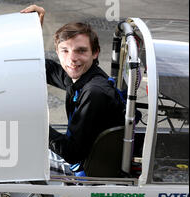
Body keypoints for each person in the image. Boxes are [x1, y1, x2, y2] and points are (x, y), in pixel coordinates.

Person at [21, 5, 125, 174]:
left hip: (86, 170)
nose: (72, 59)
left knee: (18, 153)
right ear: (57, 51)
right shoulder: (82, 76)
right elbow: (42, 67)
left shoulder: (94, 92)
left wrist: (35, 124)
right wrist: (32, 28)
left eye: (81, 51)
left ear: (95, 53)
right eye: (65, 51)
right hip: (86, 157)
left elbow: (71, 153)